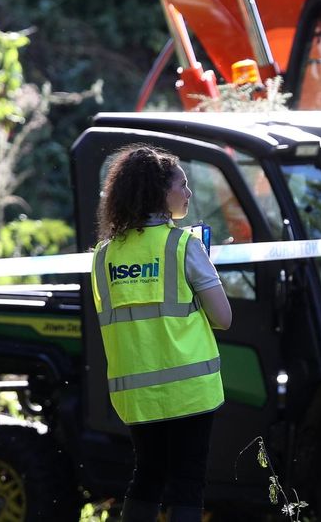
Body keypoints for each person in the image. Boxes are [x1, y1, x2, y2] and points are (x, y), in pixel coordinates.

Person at [91, 145, 233, 522]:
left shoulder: (104, 256)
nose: (188, 193)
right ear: (159, 192)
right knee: (188, 482)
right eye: (182, 185)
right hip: (190, 389)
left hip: (137, 394)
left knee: (148, 475)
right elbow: (224, 317)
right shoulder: (183, 245)